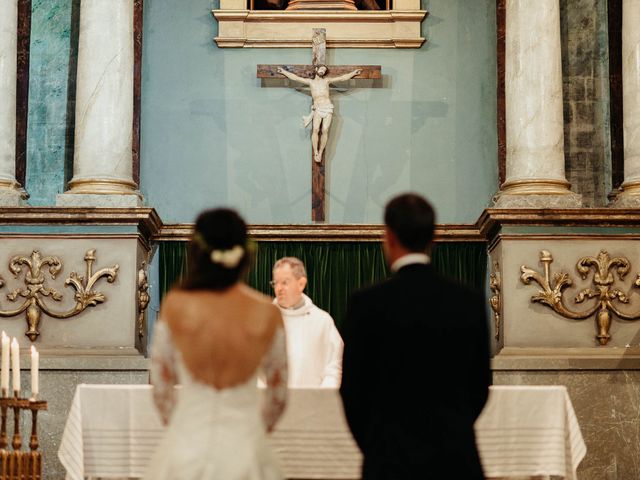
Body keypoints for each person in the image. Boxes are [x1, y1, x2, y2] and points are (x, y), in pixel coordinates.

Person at [339, 193, 491, 480]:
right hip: (454, 460)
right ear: (432, 237)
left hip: (388, 461)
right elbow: (480, 386)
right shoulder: (466, 301)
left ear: (389, 237)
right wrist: (451, 429)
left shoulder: (366, 303)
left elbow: (352, 393)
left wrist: (377, 445)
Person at [144, 209, 288, 480]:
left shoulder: (176, 305)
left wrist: (184, 426)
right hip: (247, 449)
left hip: (186, 445)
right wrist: (253, 431)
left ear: (197, 251)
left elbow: (161, 390)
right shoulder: (266, 312)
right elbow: (278, 398)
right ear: (245, 254)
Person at [272, 257, 343, 387]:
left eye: (284, 282)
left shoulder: (321, 321)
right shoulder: (265, 320)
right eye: (275, 283)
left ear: (301, 284)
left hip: (311, 403)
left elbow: (334, 367)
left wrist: (321, 398)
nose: (279, 288)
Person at [276, 65, 362, 162]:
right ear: (316, 69)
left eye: (324, 70)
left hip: (328, 107)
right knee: (316, 129)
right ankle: (315, 151)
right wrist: (284, 72)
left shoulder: (326, 81)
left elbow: (342, 78)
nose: (322, 71)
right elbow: (296, 78)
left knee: (325, 130)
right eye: (321, 69)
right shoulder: (310, 82)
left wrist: (353, 73)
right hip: (317, 108)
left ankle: (320, 152)